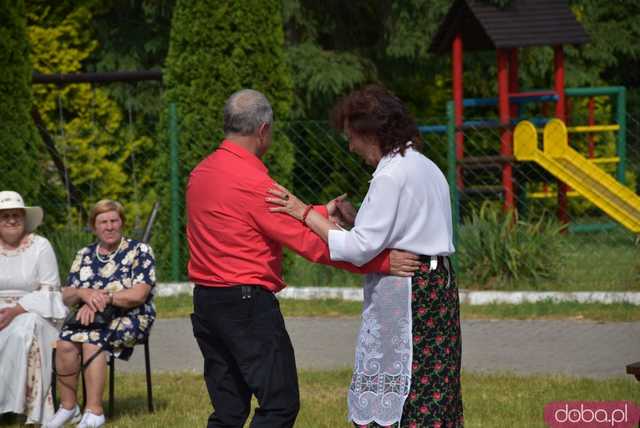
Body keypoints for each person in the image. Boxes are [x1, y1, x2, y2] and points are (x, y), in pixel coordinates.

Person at [186, 88, 421, 428]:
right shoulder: (252, 181)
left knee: (229, 410)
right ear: (263, 130)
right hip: (246, 307)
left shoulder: (202, 173)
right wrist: (380, 262)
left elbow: (251, 220)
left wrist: (318, 211)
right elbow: (308, 244)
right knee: (279, 404)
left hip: (207, 303)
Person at [267, 85, 463, 428]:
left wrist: (302, 212)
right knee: (436, 383)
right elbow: (401, 229)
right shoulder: (422, 164)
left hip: (412, 292)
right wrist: (357, 221)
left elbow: (359, 249)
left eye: (352, 137)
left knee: (409, 388)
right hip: (438, 284)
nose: (350, 146)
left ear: (370, 133)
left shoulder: (390, 175)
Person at [46, 200, 156, 428]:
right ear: (94, 227)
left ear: (122, 223)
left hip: (133, 316)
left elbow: (139, 294)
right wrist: (83, 293)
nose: (109, 226)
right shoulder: (84, 254)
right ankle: (68, 407)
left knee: (91, 340)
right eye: (103, 222)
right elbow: (67, 295)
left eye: (114, 221)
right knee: (65, 342)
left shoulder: (139, 250)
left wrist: (103, 298)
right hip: (91, 318)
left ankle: (94, 411)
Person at [0, 191, 66, 425]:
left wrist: (18, 309)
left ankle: (22, 406)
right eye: (4, 215)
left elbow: (51, 292)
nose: (10, 220)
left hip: (36, 313)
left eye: (16, 215)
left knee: (25, 330)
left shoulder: (40, 246)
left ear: (24, 218)